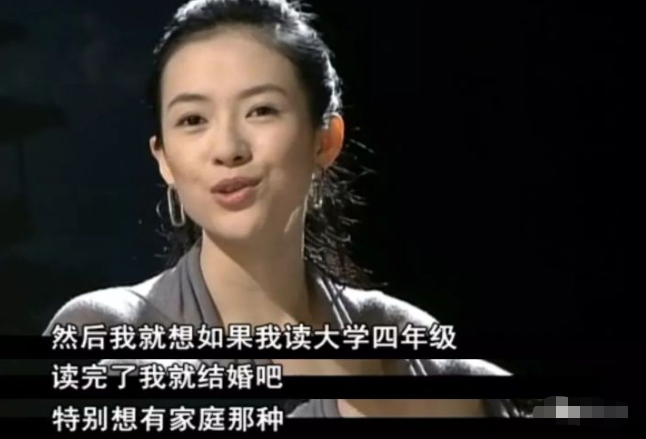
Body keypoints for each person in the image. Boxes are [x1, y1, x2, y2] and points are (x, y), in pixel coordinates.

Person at [43, 0, 521, 417]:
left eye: (261, 110)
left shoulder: (392, 335)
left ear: (325, 140)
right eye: (193, 119)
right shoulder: (107, 329)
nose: (228, 148)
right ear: (164, 159)